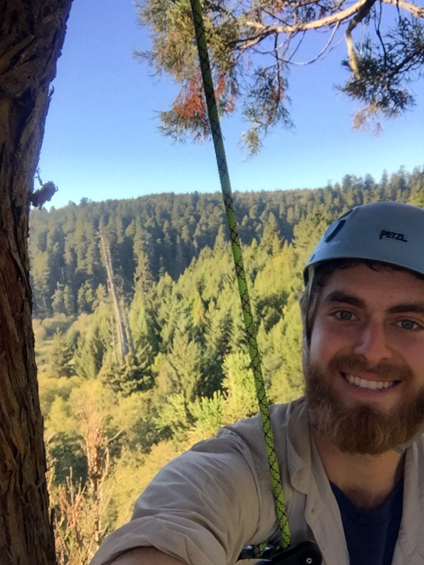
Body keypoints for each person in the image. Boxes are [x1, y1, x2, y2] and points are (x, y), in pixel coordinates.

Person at [90, 201, 424, 565]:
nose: (372, 351)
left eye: (408, 323)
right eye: (345, 314)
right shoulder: (242, 469)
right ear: (309, 327)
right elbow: (176, 523)